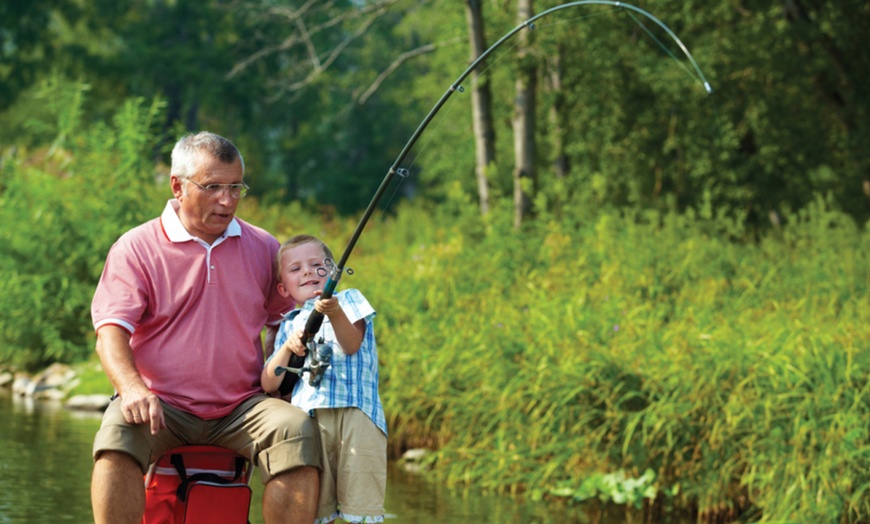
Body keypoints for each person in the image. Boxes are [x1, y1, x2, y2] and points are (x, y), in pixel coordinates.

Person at [90, 131, 320, 524]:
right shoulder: (136, 247)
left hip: (241, 408)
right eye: (213, 187)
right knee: (116, 436)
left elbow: (284, 322)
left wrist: (281, 384)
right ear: (178, 186)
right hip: (161, 405)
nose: (227, 201)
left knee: (296, 428)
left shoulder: (263, 247)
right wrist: (131, 389)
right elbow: (111, 331)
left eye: (235, 187)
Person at [262, 235, 387, 524]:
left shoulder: (349, 299)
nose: (306, 271)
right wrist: (287, 347)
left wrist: (334, 311)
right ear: (283, 288)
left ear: (332, 273)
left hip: (358, 416)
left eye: (316, 265)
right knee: (318, 511)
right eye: (295, 269)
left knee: (362, 511)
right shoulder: (289, 323)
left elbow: (351, 343)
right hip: (310, 422)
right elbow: (269, 384)